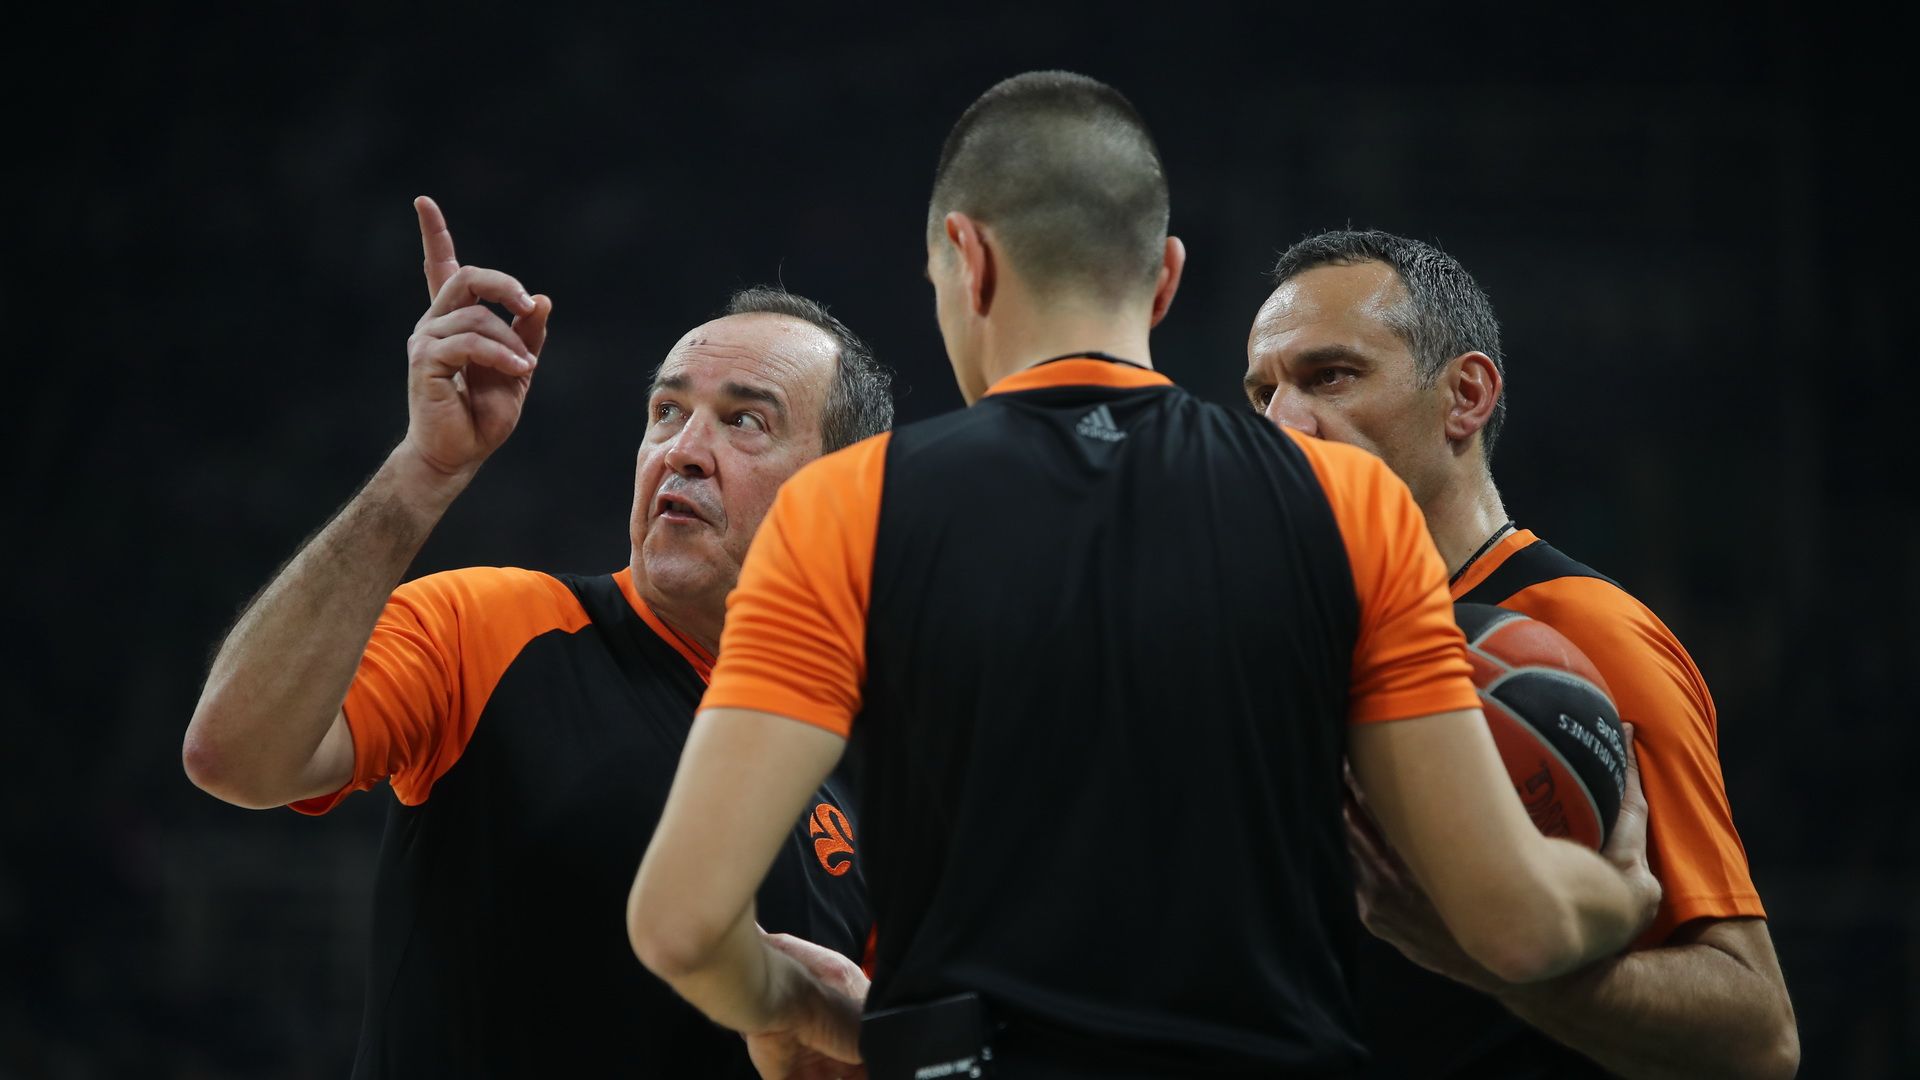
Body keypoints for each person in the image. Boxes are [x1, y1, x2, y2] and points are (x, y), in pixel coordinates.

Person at [626, 72, 1658, 1079]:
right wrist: (1616, 891)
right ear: (1163, 277)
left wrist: (809, 1007)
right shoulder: (1351, 505)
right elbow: (1514, 926)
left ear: (967, 260)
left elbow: (680, 924)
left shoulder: (849, 504)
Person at [182, 197, 890, 1078]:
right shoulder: (494, 625)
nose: (682, 450)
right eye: (666, 411)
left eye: (744, 420)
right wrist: (422, 472)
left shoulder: (884, 772)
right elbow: (235, 755)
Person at [1242, 228, 1799, 1078]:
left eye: (1331, 376)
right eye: (1263, 392)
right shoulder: (1298, 644)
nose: (1282, 421)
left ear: (1465, 396)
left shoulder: (1579, 633)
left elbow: (1758, 1038)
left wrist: (1487, 957)